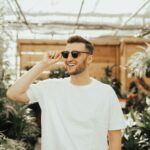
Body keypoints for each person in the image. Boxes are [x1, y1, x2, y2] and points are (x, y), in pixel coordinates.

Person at [7, 35, 126, 150]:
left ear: (89, 58)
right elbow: (13, 93)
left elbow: (114, 135)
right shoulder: (50, 87)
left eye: (75, 54)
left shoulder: (105, 92)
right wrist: (43, 64)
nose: (69, 59)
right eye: (66, 54)